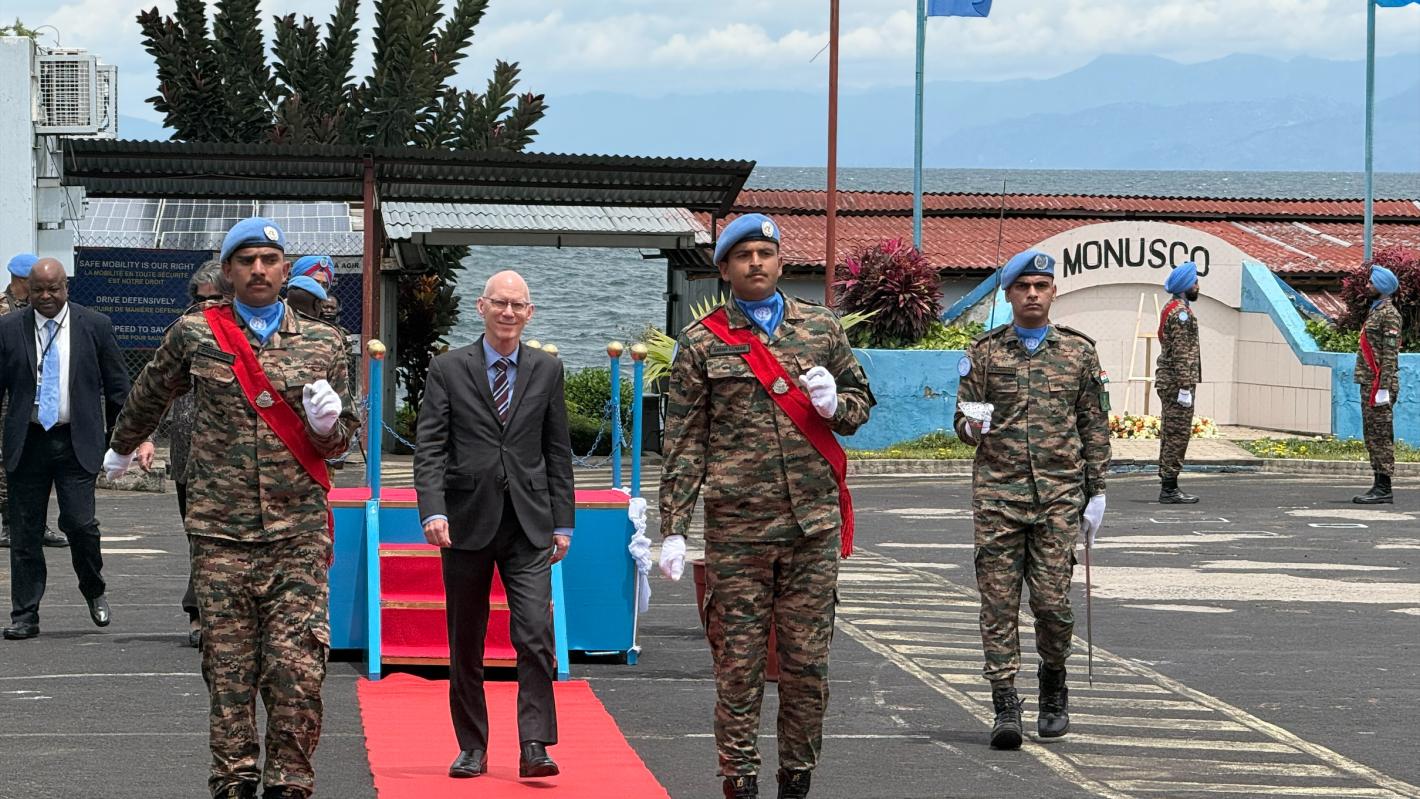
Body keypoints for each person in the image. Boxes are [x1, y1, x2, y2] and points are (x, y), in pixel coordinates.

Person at [104, 217, 358, 799]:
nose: (259, 270)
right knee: (229, 669)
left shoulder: (323, 343)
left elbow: (344, 441)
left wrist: (326, 426)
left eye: (270, 259)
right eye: (247, 260)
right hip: (221, 534)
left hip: (297, 533)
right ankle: (234, 780)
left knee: (297, 669)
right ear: (228, 271)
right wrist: (122, 445)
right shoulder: (196, 334)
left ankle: (290, 783)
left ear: (286, 268)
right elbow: (150, 390)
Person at [657, 213, 874, 799]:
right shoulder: (702, 345)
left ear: (781, 262)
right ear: (723, 269)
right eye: (743, 254)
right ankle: (740, 781)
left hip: (812, 529)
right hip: (738, 532)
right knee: (739, 666)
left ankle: (797, 779)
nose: (756, 262)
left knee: (807, 665)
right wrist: (673, 527)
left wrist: (834, 405)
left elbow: (860, 404)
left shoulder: (822, 330)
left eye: (765, 252)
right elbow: (683, 441)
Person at [414, 270, 575, 781]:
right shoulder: (446, 368)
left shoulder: (548, 369)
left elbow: (557, 450)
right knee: (467, 640)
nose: (508, 313)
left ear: (530, 314)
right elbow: (431, 447)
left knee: (533, 633)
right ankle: (472, 747)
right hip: (464, 523)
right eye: (499, 303)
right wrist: (432, 509)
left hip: (529, 524)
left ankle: (534, 744)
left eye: (517, 305)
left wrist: (564, 522)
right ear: (481, 307)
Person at [953, 249, 1111, 750]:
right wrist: (970, 425)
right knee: (998, 604)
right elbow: (964, 423)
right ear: (1009, 294)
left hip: (1059, 497)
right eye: (1023, 287)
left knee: (1050, 603)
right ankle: (1004, 703)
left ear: (1053, 292)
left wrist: (1098, 491)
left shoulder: (1078, 353)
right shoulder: (985, 354)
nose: (1033, 295)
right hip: (999, 496)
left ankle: (1053, 682)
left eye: (1041, 286)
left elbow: (1094, 424)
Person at [0, 259, 130, 640]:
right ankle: (25, 614)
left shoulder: (95, 326)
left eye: (53, 289)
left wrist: (129, 440)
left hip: (77, 442)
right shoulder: (8, 328)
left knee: (80, 524)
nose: (45, 297)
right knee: (25, 533)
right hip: (27, 442)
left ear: (66, 288)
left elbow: (119, 388)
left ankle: (94, 589)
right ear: (29, 289)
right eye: (38, 290)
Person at [1353, 264, 1402, 504]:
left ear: (1382, 287)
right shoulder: (1376, 311)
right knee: (1372, 435)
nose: (1367, 286)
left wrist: (1383, 388)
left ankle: (1384, 487)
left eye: (1371, 283)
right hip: (1370, 382)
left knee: (1381, 436)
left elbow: (1390, 354)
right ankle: (1377, 484)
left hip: (1378, 385)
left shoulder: (1390, 314)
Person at [1155, 261, 1203, 504]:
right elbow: (1183, 352)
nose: (1197, 286)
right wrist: (1185, 387)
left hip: (1169, 381)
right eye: (1194, 282)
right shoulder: (1182, 314)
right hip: (1177, 383)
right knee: (1177, 435)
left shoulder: (1171, 308)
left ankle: (1168, 482)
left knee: (1170, 433)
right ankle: (1170, 488)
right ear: (1186, 286)